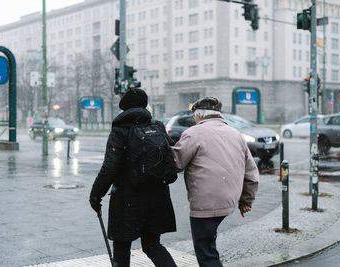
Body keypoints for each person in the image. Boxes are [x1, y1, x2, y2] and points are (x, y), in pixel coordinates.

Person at [89, 88, 177, 267]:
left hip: (127, 198)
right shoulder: (157, 126)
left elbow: (109, 168)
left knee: (122, 247)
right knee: (152, 245)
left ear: (124, 108)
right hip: (157, 195)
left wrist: (95, 195)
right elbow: (171, 155)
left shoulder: (120, 130)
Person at [171, 96, 259, 267]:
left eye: (195, 116)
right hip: (229, 200)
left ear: (199, 115)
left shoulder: (193, 133)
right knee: (209, 244)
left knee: (206, 251)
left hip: (206, 203)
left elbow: (176, 163)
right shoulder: (236, 134)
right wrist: (246, 201)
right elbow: (251, 172)